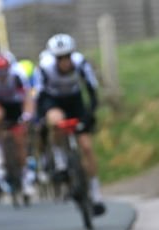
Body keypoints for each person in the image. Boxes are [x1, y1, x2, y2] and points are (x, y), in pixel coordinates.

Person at [33, 33, 105, 215]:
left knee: (87, 147)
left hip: (75, 100)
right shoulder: (44, 67)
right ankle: (60, 160)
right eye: (60, 58)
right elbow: (40, 98)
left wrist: (90, 115)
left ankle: (96, 195)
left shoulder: (81, 64)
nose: (65, 61)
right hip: (53, 100)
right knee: (56, 120)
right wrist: (41, 119)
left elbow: (92, 92)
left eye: (68, 57)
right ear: (54, 58)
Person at [0, 51, 36, 199]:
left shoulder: (17, 73)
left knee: (20, 140)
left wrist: (27, 115)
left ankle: (26, 179)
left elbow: (28, 97)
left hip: (15, 105)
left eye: (4, 71)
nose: (1, 74)